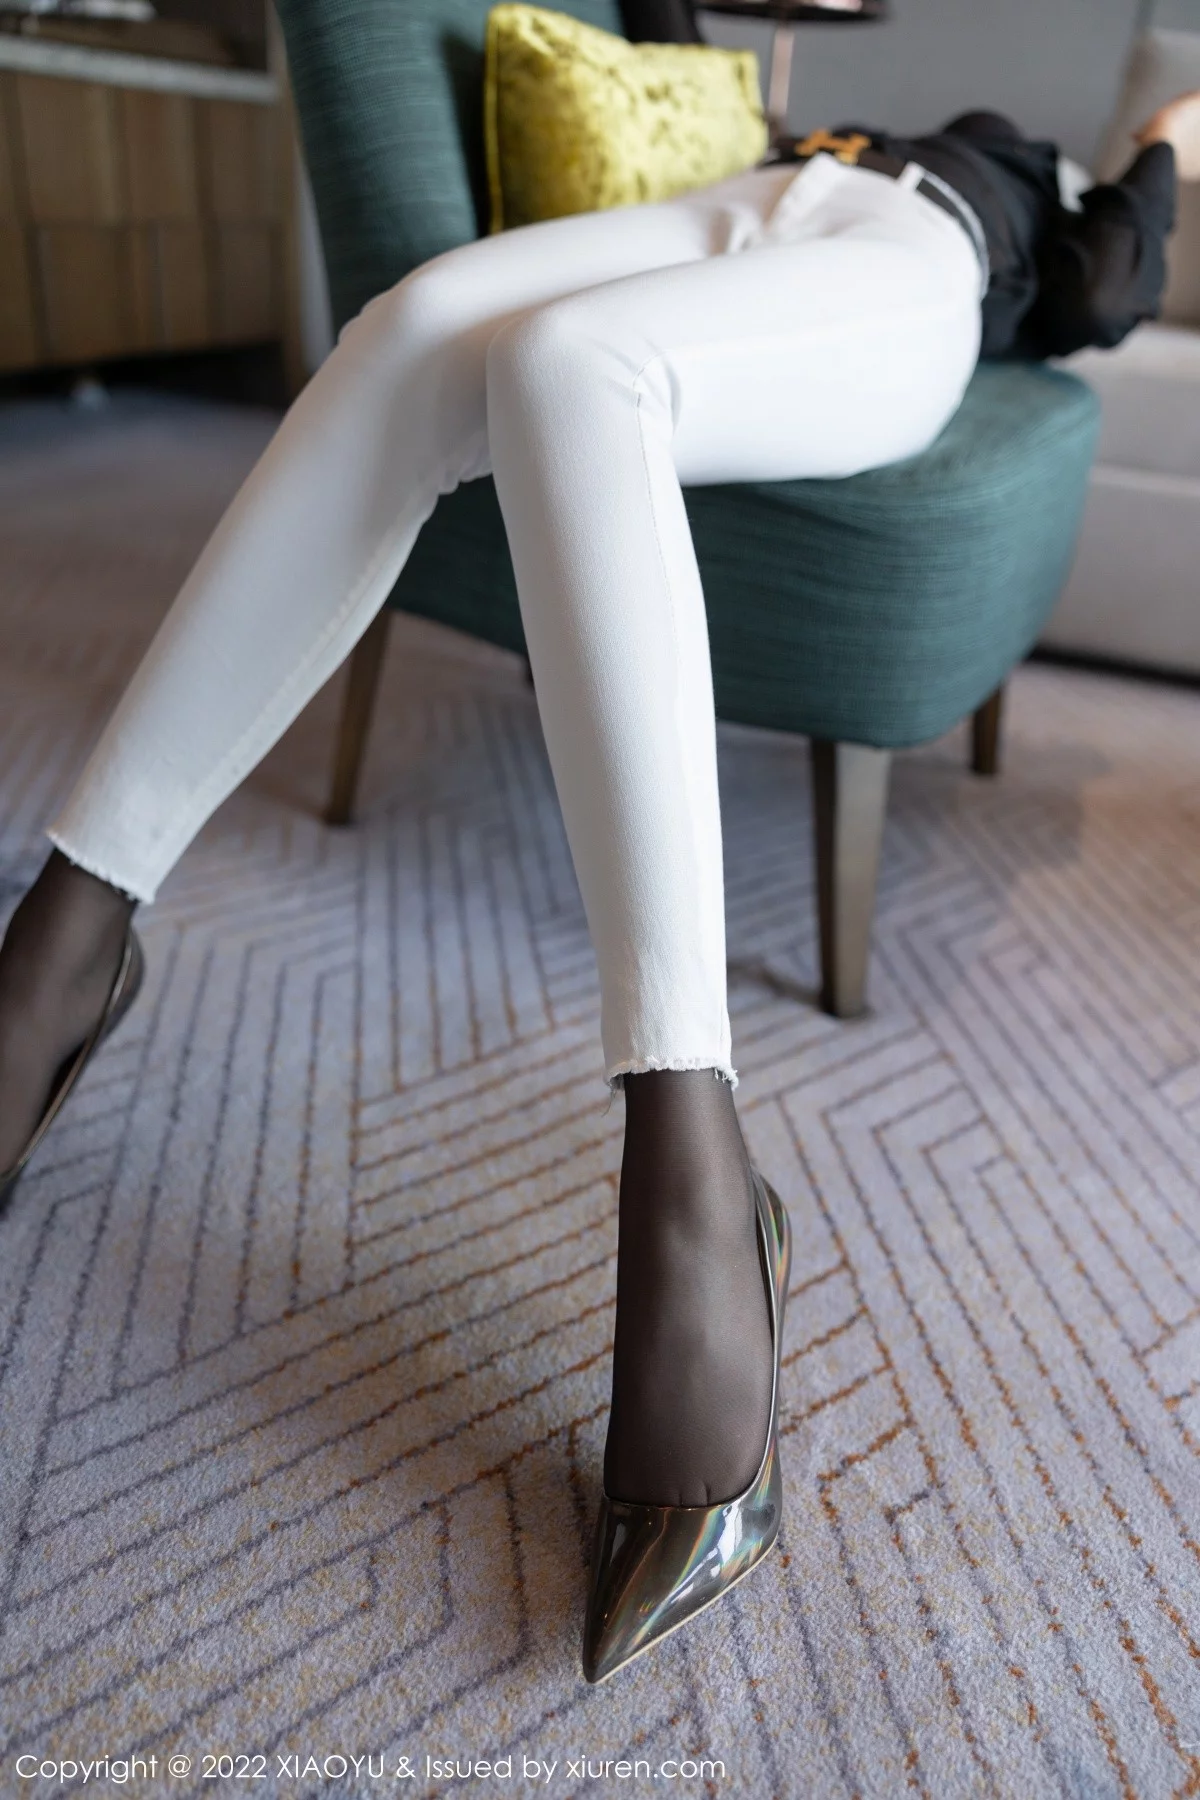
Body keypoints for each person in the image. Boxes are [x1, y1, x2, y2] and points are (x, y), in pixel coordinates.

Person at [0, 80, 1195, 1683]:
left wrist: (1164, 140)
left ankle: (696, 1175)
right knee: (407, 330)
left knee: (577, 368)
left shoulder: (1039, 193)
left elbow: (1111, 288)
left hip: (916, 261)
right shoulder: (817, 116)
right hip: (744, 198)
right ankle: (67, 937)